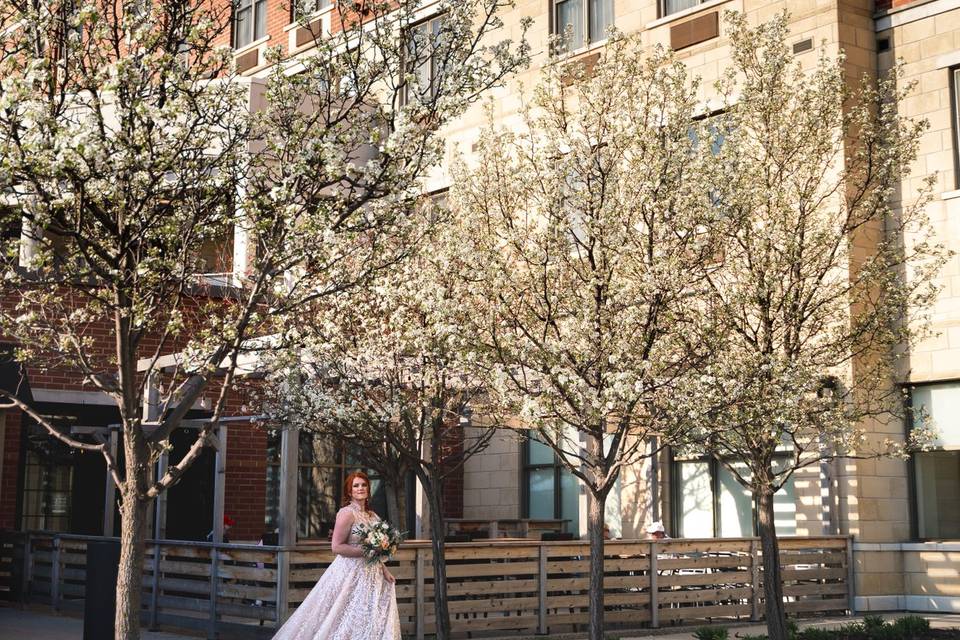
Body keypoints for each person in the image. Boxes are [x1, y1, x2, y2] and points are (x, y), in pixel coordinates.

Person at [272, 470, 401, 640]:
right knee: (342, 616)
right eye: (356, 485)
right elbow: (337, 547)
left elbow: (376, 550)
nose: (360, 488)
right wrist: (367, 550)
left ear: (368, 489)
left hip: (372, 574)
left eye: (364, 485)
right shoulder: (346, 513)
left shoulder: (373, 516)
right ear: (350, 491)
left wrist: (384, 570)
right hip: (350, 573)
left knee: (369, 617)